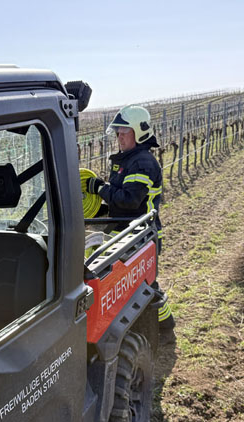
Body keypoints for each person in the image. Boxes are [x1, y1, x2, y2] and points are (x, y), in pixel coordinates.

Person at [85, 104, 174, 331]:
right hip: (128, 234)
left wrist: (99, 189)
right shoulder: (127, 160)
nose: (119, 137)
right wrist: (99, 211)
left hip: (141, 236)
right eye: (117, 132)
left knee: (144, 284)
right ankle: (153, 325)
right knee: (135, 283)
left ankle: (164, 328)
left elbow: (130, 200)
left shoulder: (141, 162)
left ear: (140, 132)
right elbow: (121, 206)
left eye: (124, 132)